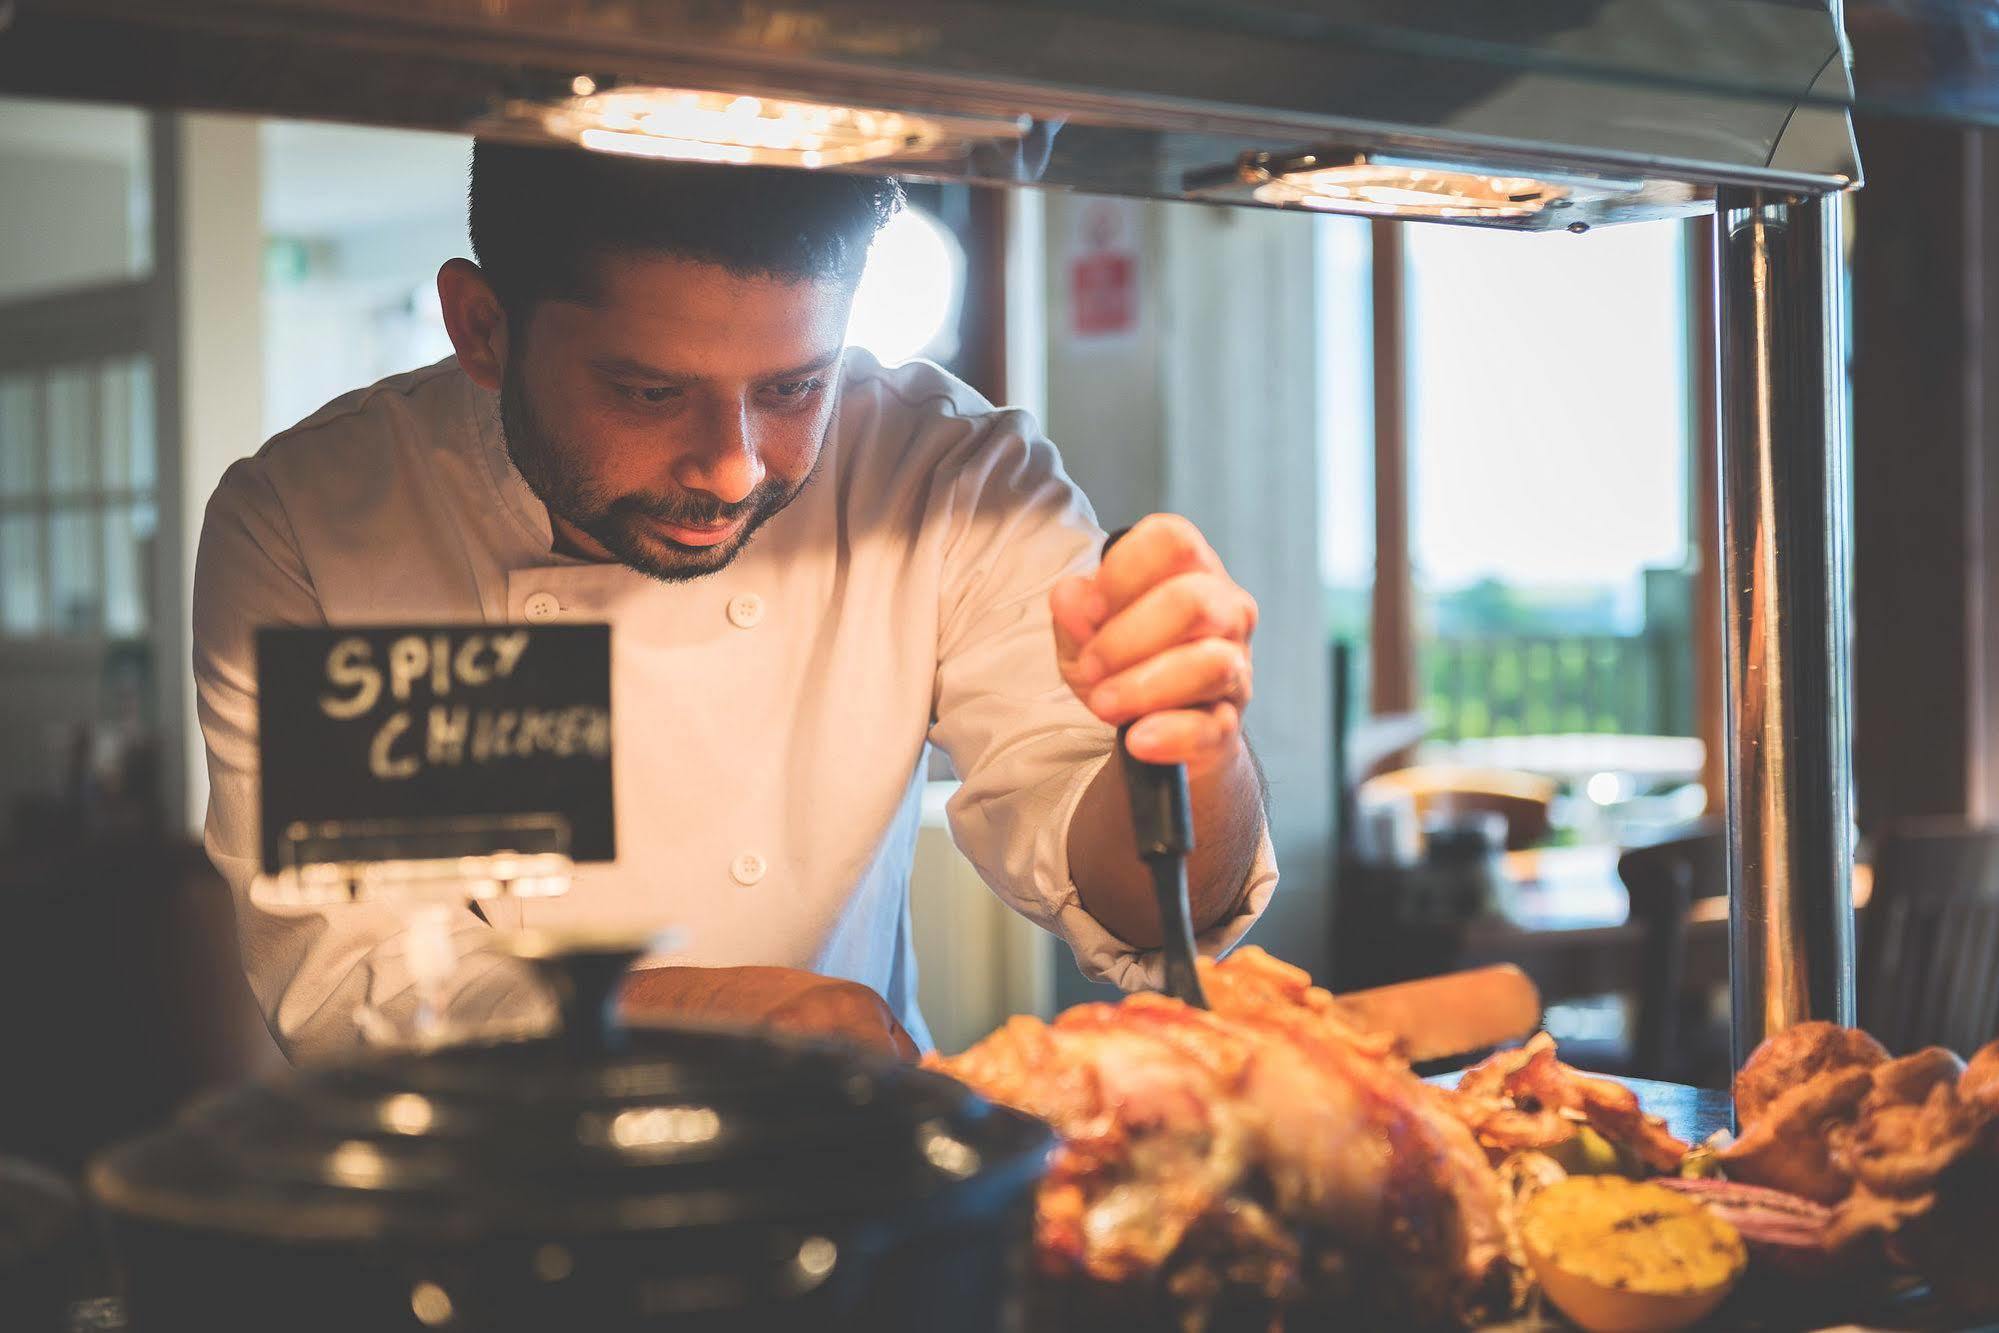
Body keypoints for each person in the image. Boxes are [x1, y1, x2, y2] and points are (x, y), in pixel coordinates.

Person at [194, 141, 1277, 1062]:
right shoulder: (314, 522)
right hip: (493, 1221)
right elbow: (361, 981)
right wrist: (722, 1020)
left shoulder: (951, 477)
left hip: (856, 1219)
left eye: (793, 387)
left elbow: (1146, 907)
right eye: (648, 392)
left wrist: (1187, 751)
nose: (732, 468)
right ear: (481, 328)